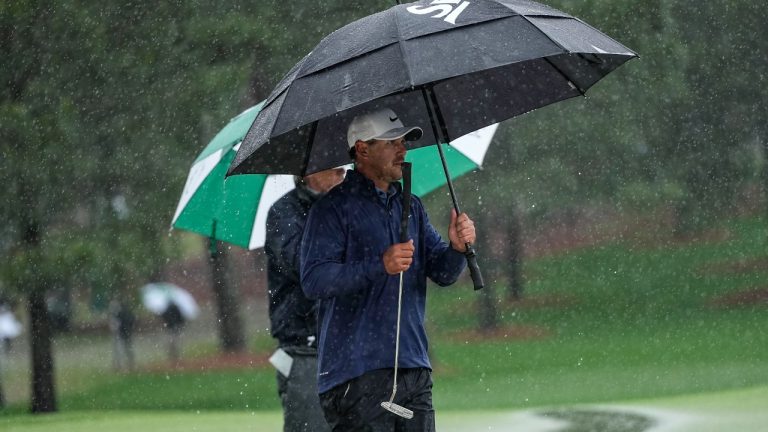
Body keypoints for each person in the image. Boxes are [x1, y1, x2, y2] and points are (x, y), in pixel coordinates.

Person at [300, 108, 477, 431]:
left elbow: (443, 272)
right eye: (391, 142)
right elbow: (314, 280)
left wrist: (457, 248)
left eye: (403, 142)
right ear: (363, 150)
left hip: (413, 367)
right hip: (355, 373)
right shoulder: (331, 210)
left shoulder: (411, 205)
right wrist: (378, 265)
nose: (402, 150)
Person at [265, 168, 345, 432]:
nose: (341, 176)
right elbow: (306, 268)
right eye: (333, 171)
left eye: (343, 171)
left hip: (352, 349)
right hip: (306, 351)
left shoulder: (350, 209)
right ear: (309, 173)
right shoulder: (283, 213)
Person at [109, 299, 136, 371]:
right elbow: (133, 321)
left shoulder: (119, 314)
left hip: (121, 334)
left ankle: (120, 366)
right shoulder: (128, 313)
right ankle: (129, 365)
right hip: (127, 333)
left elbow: (115, 325)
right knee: (128, 350)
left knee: (120, 351)